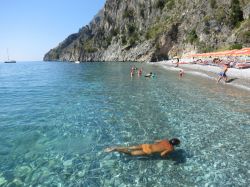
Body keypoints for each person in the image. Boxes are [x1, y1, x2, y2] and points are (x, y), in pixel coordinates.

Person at [104, 138, 180, 157]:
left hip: (147, 145)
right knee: (131, 153)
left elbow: (156, 141)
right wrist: (167, 155)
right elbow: (162, 154)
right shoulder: (171, 148)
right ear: (175, 145)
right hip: (148, 151)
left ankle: (116, 147)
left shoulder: (165, 140)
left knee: (130, 147)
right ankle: (116, 150)